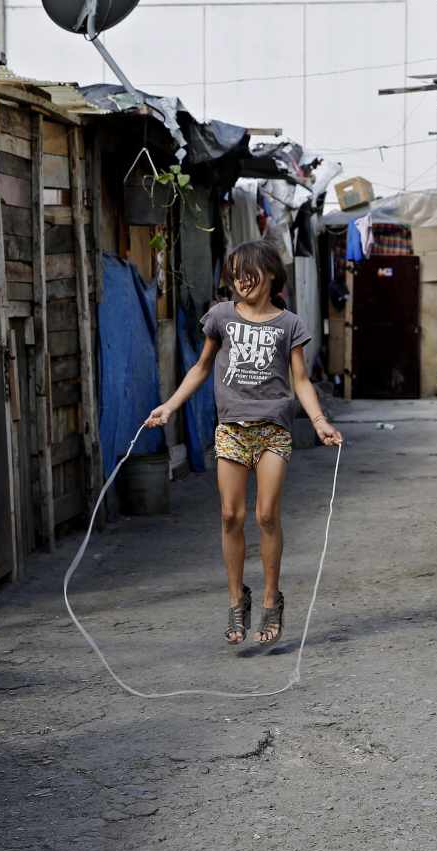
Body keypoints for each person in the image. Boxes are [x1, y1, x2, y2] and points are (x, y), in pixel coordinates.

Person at [145, 240, 342, 647]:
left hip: (273, 430)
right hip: (231, 430)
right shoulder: (220, 317)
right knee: (230, 516)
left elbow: (301, 380)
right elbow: (201, 368)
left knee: (266, 515)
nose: (241, 281)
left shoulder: (289, 324)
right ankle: (238, 599)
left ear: (270, 274)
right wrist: (169, 406)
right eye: (234, 274)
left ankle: (271, 599)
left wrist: (320, 422)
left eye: (248, 273)